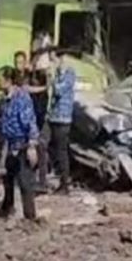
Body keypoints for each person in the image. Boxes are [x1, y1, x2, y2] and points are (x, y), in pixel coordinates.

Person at [0, 66, 39, 220]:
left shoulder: (22, 98)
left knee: (25, 182)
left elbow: (30, 121)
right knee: (8, 178)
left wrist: (32, 145)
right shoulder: (6, 99)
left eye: (0, 78)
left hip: (23, 143)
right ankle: (7, 209)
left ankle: (30, 217)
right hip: (11, 143)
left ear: (8, 80)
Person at [14, 50, 50, 192]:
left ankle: (41, 181)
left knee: (39, 148)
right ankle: (24, 178)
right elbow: (25, 88)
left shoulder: (32, 74)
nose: (19, 65)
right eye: (17, 62)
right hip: (23, 117)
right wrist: (43, 88)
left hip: (36, 117)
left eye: (22, 62)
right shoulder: (16, 76)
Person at [47, 50, 76, 194]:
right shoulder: (59, 74)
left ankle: (65, 183)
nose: (52, 63)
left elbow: (58, 91)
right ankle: (56, 175)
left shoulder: (69, 74)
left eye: (54, 59)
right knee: (50, 147)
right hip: (54, 117)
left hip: (63, 119)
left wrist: (52, 78)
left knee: (62, 151)